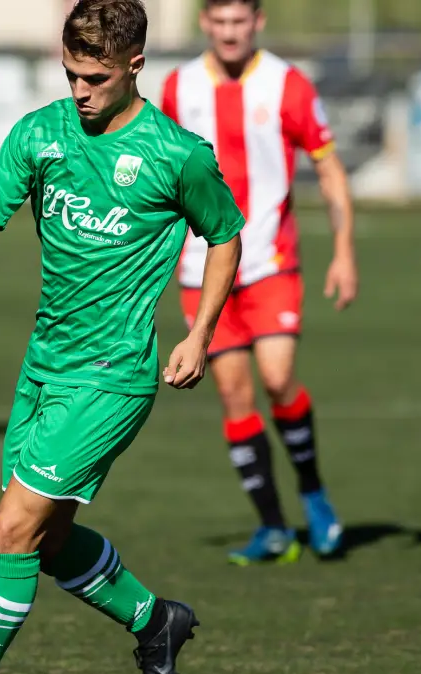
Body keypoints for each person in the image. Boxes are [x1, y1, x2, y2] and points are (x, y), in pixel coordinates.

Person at [0, 1, 245, 674]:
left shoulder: (177, 155)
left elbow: (226, 234)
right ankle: (156, 622)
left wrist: (199, 334)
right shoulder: (39, 133)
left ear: (135, 66)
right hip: (43, 366)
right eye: (71, 73)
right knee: (44, 543)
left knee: (11, 529)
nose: (79, 90)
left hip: (113, 376)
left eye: (95, 78)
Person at [160, 0, 359, 565]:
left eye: (239, 22)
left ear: (257, 21)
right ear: (205, 22)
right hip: (202, 268)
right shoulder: (177, 88)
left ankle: (314, 495)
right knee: (233, 393)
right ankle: (273, 526)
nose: (229, 33)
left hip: (272, 261)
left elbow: (328, 166)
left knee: (277, 377)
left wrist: (344, 252)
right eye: (219, 22)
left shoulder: (288, 85)